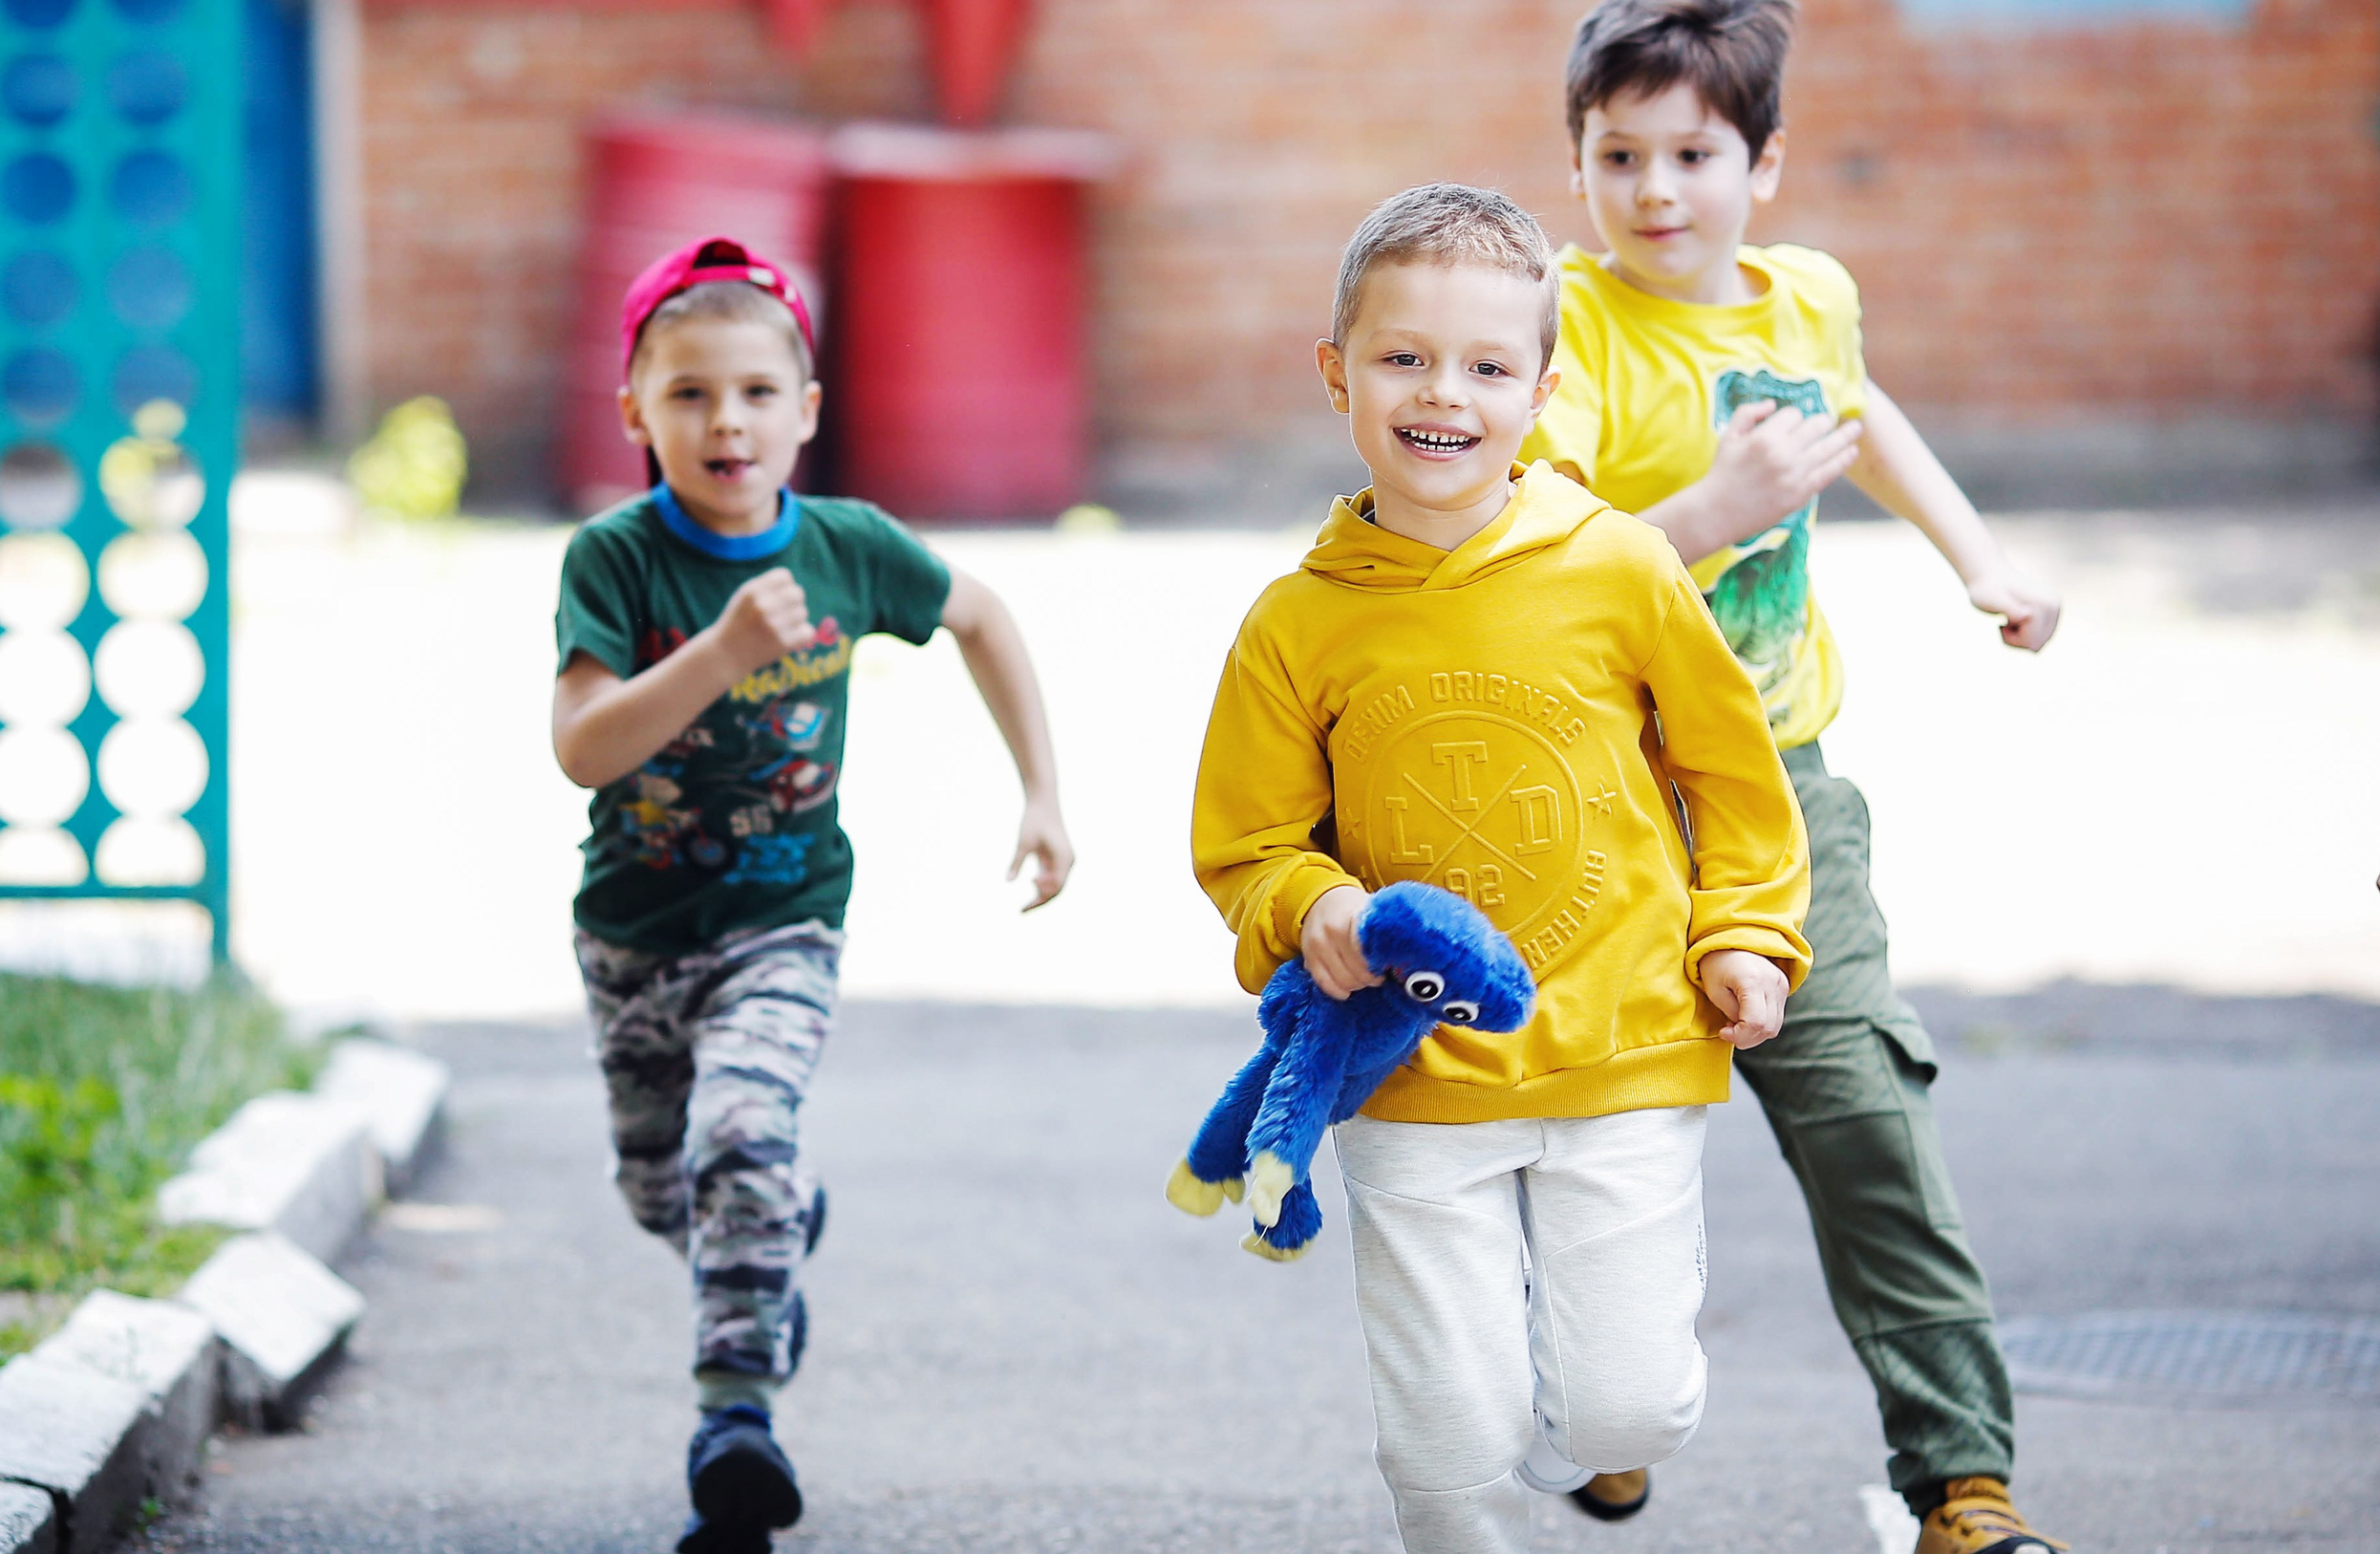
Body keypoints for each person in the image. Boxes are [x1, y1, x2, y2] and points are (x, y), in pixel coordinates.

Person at [1519, 0, 2068, 1554]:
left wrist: (1979, 559)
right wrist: (1707, 512)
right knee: (1604, 1140)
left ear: (1762, 165)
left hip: (1780, 793)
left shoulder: (1807, 295)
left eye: (1692, 155)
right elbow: (1541, 583)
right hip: (1604, 809)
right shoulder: (1563, 331)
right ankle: (1606, 1416)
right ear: (1578, 165)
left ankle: (1965, 1485)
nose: (1653, 190)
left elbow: (1860, 407)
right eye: (1617, 155)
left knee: (1866, 1123)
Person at [1190, 183, 1812, 1554]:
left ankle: (1576, 1364)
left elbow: (1734, 776)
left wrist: (1747, 933)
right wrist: (1317, 908)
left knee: (1625, 1417)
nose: (1443, 394)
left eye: (1486, 365)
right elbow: (1246, 844)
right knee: (1448, 1442)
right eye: (1403, 356)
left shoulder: (1625, 567)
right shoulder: (1295, 624)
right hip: (1413, 1073)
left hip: (1625, 1046)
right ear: (1336, 370)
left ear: (1542, 386)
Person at [549, 236, 1075, 1554]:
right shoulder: (617, 564)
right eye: (688, 394)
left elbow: (985, 616)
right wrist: (722, 653)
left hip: (785, 925)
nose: (726, 420)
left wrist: (1042, 796)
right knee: (662, 1189)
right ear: (635, 413)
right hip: (633, 934)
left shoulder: (848, 549)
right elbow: (583, 749)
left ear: (807, 413)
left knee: (738, 1134)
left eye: (755, 392)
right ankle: (777, 1228)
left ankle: (735, 1424)